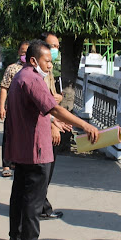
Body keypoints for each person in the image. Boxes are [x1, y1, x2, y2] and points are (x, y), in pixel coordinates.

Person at [5, 40, 99, 240]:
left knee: (20, 194)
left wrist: (54, 122)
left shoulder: (21, 77)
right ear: (33, 60)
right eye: (47, 61)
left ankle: (16, 237)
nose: (50, 65)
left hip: (23, 147)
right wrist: (84, 124)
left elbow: (39, 111)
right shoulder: (32, 79)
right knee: (33, 199)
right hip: (35, 148)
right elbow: (54, 109)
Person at [38, 32, 70, 220]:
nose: (56, 50)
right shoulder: (36, 73)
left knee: (45, 172)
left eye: (57, 47)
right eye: (52, 46)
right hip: (43, 127)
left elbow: (48, 99)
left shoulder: (47, 70)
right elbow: (40, 105)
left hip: (50, 122)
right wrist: (52, 124)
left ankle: (41, 206)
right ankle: (39, 209)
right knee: (42, 171)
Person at [0, 40, 29, 177]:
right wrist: (1, 107)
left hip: (28, 111)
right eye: (23, 52)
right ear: (18, 52)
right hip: (12, 109)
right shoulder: (12, 69)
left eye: (27, 52)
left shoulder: (35, 70)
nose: (25, 55)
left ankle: (18, 161)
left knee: (24, 137)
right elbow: (4, 88)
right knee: (9, 136)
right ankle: (6, 164)